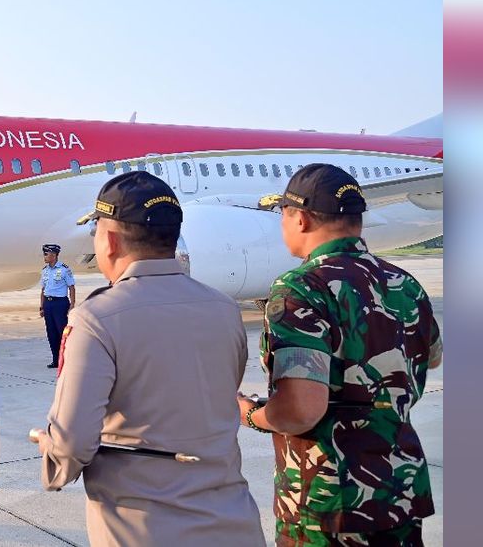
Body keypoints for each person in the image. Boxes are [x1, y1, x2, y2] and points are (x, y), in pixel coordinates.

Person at [36, 171, 264, 546]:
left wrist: (52, 459)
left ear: (109, 240)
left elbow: (72, 444)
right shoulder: (223, 308)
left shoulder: (96, 319)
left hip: (144, 528)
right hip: (233, 521)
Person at [238, 163, 441, 546]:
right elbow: (432, 356)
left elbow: (301, 410)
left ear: (298, 218)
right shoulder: (403, 282)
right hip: (402, 490)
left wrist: (251, 413)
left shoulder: (301, 288)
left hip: (332, 501)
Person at [38, 243, 75, 368]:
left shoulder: (64, 269)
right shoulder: (45, 271)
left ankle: (67, 359)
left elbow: (71, 287)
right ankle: (56, 360)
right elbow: (43, 289)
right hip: (48, 304)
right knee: (51, 333)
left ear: (54, 255)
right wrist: (42, 306)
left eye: (46, 254)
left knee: (62, 332)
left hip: (60, 304)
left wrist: (72, 305)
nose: (44, 256)